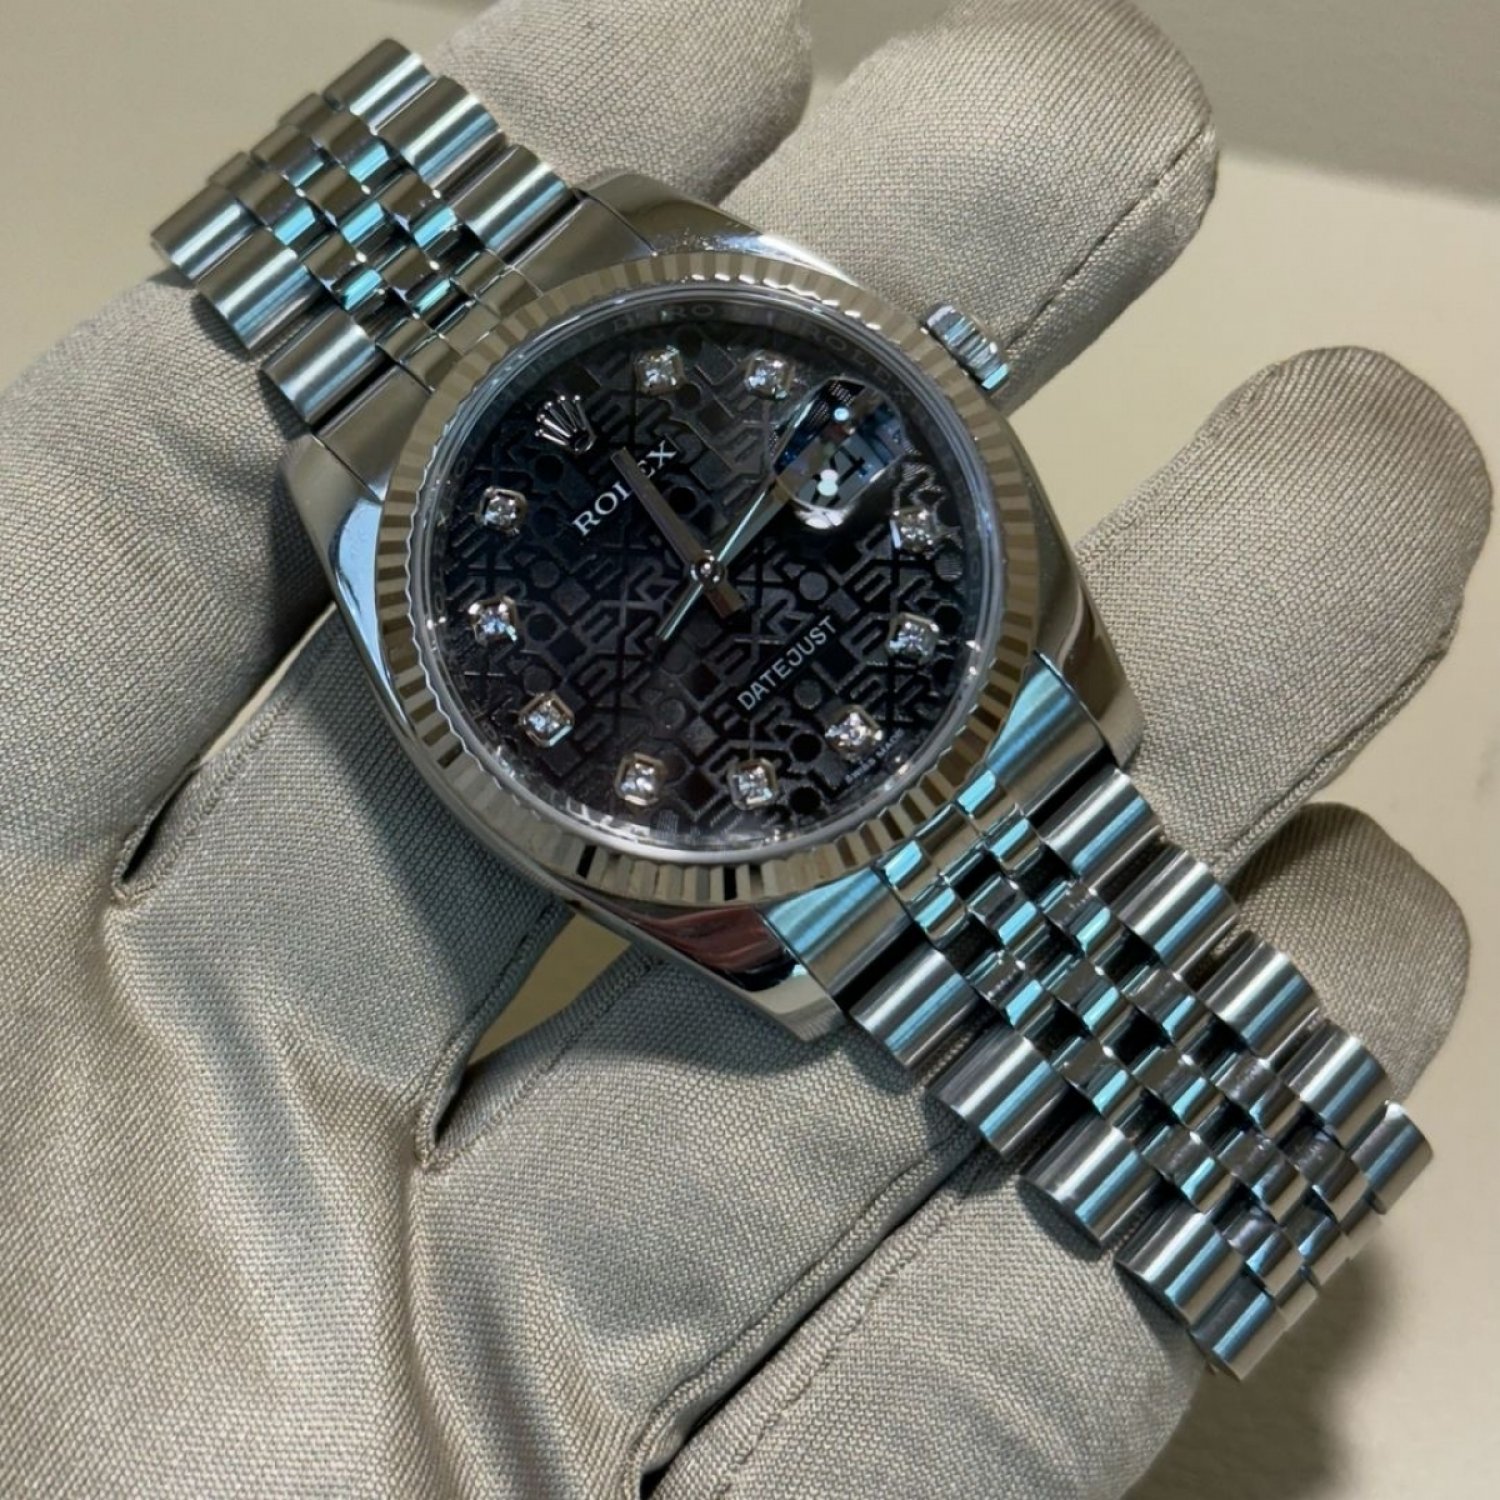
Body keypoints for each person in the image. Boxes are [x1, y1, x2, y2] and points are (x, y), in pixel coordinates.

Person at [0, 1, 1487, 1494]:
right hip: (766, 817)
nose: (710, 581)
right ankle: (1264, 1185)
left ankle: (1274, 1175)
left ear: (940, 369)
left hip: (950, 707)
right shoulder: (400, 562)